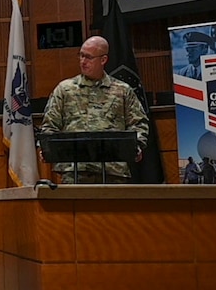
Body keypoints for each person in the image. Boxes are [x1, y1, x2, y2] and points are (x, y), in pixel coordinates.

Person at [39, 36, 148, 184]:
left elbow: (139, 123)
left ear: (103, 60)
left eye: (89, 57)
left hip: (113, 171)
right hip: (75, 171)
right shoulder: (65, 89)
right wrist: (47, 148)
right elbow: (49, 125)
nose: (83, 61)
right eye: (81, 55)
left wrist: (137, 146)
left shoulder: (123, 91)